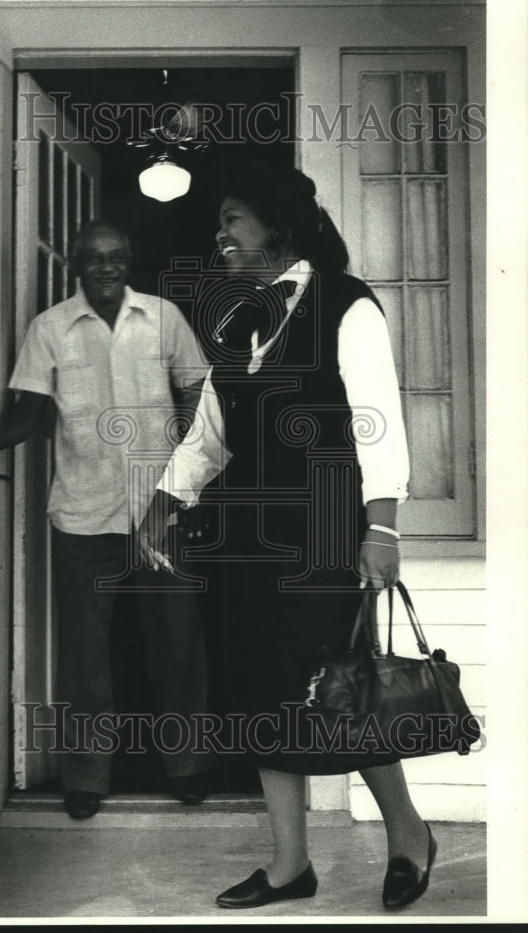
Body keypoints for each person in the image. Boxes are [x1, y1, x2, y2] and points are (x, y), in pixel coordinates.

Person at [137, 163, 436, 910]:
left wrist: (382, 527)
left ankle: (408, 835)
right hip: (247, 537)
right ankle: (288, 865)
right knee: (258, 689)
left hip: (326, 527)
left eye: (233, 220)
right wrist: (165, 500)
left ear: (276, 227)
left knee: (340, 688)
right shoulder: (236, 317)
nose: (220, 235)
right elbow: (210, 431)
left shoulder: (347, 304)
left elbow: (377, 419)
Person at [0, 220, 215, 820]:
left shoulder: (164, 319)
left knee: (177, 645)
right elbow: (34, 413)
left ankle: (190, 766)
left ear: (130, 260)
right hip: (82, 512)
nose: (107, 266)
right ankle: (85, 776)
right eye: (95, 257)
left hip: (161, 512)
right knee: (84, 657)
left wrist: (194, 487)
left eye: (117, 255)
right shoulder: (50, 329)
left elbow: (201, 404)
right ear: (76, 263)